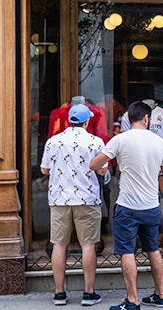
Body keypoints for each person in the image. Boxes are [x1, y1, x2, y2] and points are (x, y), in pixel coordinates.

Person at [90, 102, 163, 310]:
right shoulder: (159, 142)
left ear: (128, 120)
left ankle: (132, 299)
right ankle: (160, 295)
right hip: (151, 205)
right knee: (153, 249)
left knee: (127, 252)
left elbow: (94, 164)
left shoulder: (120, 140)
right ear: (147, 119)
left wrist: (102, 170)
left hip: (127, 206)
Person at [40, 103, 106, 307]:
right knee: (88, 245)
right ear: (87, 121)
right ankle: (88, 292)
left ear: (69, 120)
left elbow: (44, 170)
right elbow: (103, 171)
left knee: (59, 245)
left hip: (60, 199)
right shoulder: (95, 142)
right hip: (87, 199)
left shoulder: (54, 141)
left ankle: (59, 293)